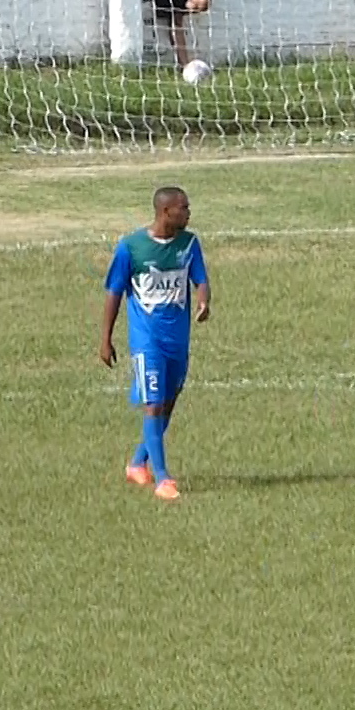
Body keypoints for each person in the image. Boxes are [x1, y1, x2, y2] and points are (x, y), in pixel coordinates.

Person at [99, 186, 211, 502]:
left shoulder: (189, 243)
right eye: (184, 208)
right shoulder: (131, 248)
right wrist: (105, 339)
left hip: (178, 339)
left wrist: (204, 301)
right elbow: (113, 293)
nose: (189, 213)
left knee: (169, 401)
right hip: (147, 341)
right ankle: (163, 479)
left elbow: (200, 279)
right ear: (166, 212)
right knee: (154, 403)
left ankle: (137, 463)